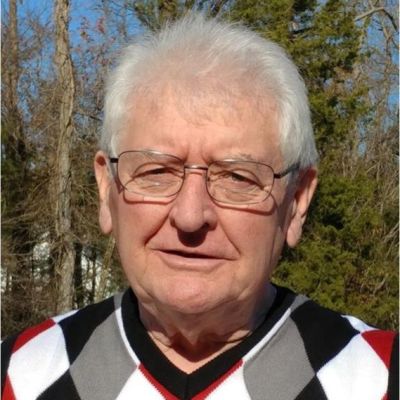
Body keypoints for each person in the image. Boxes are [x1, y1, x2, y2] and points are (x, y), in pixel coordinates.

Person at [1, 14, 398, 400]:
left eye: (237, 177)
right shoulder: (19, 375)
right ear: (107, 190)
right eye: (157, 171)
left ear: (296, 202)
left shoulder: (379, 378)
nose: (190, 216)